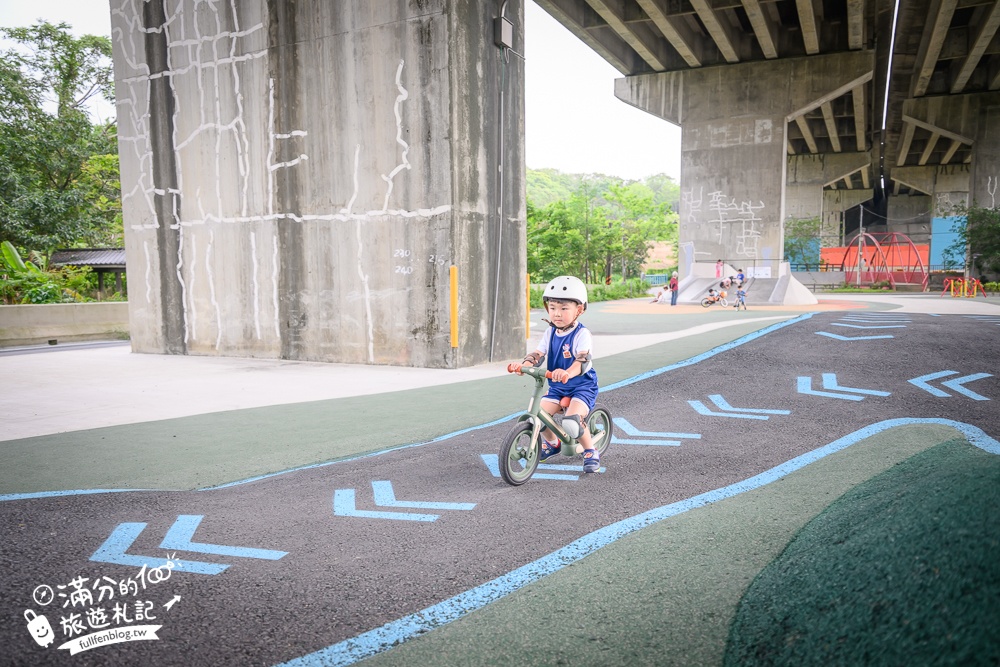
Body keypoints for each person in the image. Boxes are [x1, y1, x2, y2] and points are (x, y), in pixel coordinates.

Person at [507, 276, 601, 473]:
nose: (557, 313)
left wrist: (567, 372)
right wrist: (524, 365)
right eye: (552, 308)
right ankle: (552, 443)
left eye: (564, 308)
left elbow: (582, 361)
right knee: (536, 416)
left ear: (579, 310)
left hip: (582, 386)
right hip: (558, 387)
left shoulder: (581, 334)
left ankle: (590, 450)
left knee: (572, 421)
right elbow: (538, 353)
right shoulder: (550, 332)